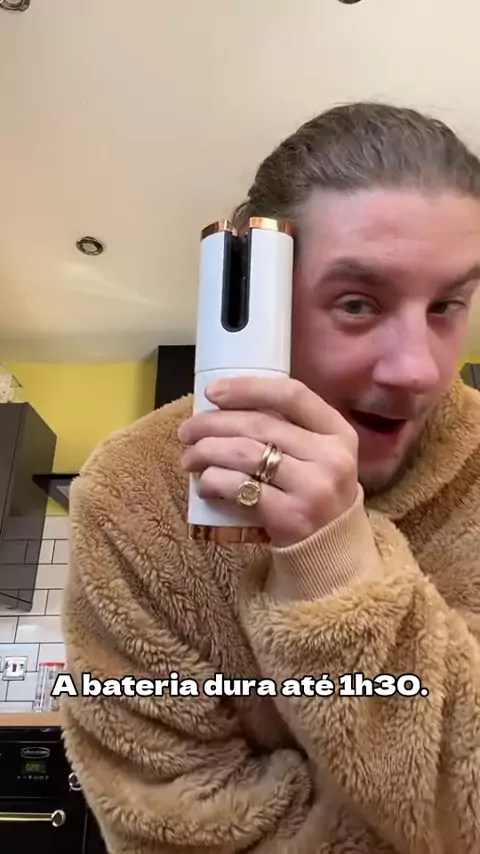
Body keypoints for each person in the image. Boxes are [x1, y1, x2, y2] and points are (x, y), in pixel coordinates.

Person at [61, 102, 480, 854]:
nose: (419, 370)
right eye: (357, 304)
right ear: (267, 297)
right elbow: (169, 827)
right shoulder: (131, 495)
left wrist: (337, 569)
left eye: (448, 304)